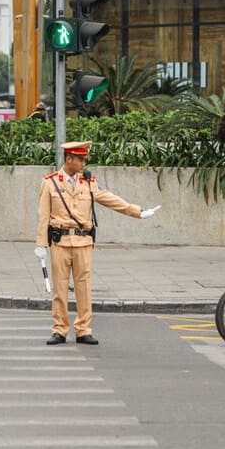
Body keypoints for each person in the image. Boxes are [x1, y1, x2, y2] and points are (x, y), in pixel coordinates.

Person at [35, 141, 160, 345]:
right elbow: (43, 216)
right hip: (61, 242)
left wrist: (138, 212)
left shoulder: (88, 182)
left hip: (83, 242)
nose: (84, 163)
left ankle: (83, 329)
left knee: (84, 287)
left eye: (85, 159)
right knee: (60, 288)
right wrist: (41, 244)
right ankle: (60, 329)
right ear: (69, 159)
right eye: (81, 159)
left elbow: (111, 199)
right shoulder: (50, 183)